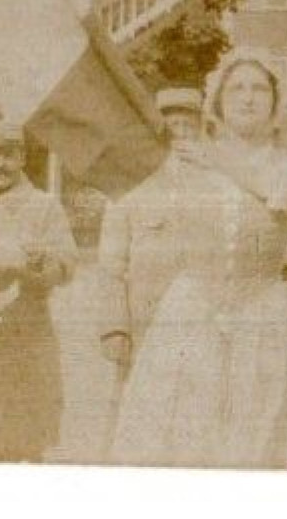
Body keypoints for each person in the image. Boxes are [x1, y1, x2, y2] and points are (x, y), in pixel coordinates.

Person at [108, 49, 287, 469]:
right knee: (181, 430)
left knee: (251, 435)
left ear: (275, 100)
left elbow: (284, 201)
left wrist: (217, 159)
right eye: (237, 88)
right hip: (193, 308)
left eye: (259, 88)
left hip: (259, 314)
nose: (248, 98)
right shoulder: (185, 161)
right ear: (218, 101)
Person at [0, 120, 77, 462]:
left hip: (28, 325)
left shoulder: (44, 206)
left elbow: (67, 264)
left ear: (22, 157)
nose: (0, 165)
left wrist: (43, 266)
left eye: (9, 155)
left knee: (27, 434)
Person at [95, 87, 215, 377]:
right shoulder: (129, 185)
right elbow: (111, 267)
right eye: (173, 126)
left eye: (189, 126)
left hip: (205, 331)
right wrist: (115, 327)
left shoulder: (218, 184)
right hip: (145, 330)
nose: (181, 135)